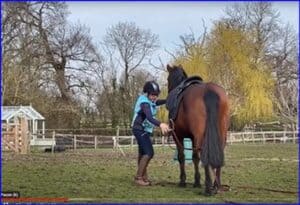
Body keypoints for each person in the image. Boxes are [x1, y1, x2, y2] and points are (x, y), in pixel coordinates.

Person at [131, 81, 170, 186]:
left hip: (142, 130)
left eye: (156, 95)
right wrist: (160, 124)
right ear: (147, 93)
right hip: (140, 129)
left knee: (142, 153)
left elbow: (157, 102)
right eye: (152, 95)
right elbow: (149, 117)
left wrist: (168, 100)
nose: (154, 97)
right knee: (149, 153)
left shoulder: (150, 101)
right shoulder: (144, 103)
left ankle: (143, 177)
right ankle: (138, 177)